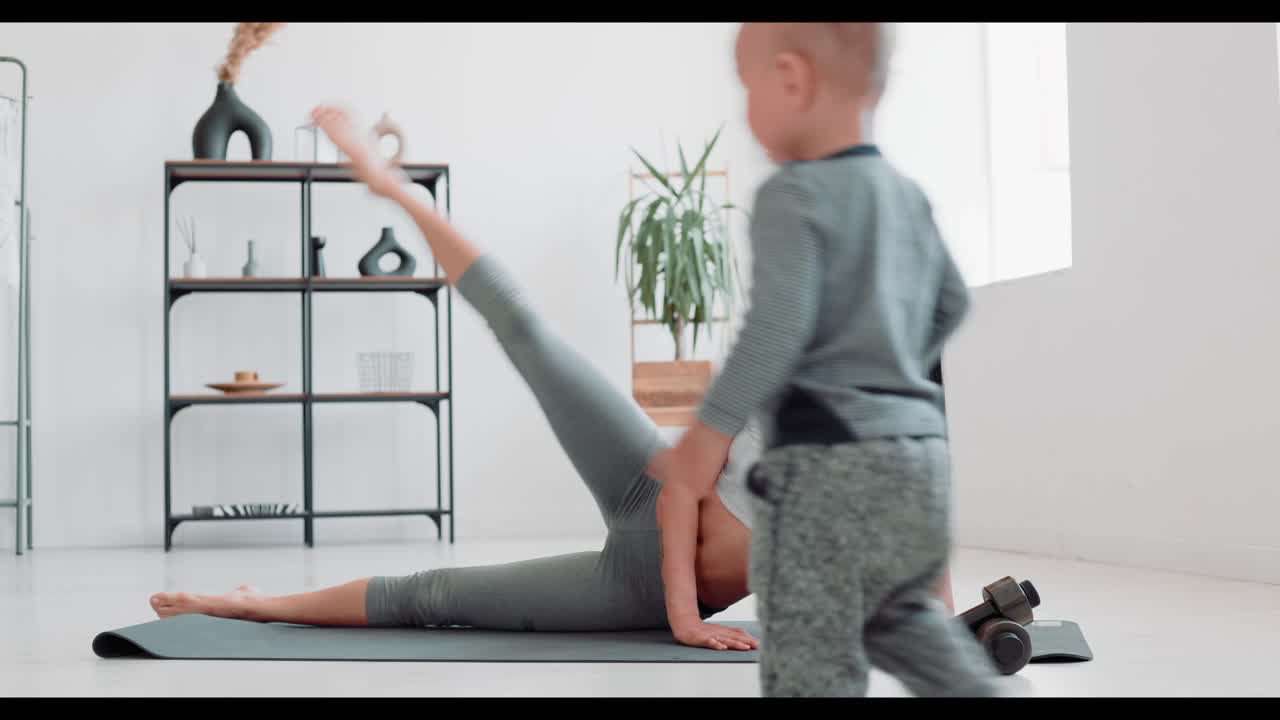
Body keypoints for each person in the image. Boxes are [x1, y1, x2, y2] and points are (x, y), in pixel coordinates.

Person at [652, 23, 999, 695]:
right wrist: (889, 375)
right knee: (902, 622)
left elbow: (773, 332)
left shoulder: (793, 194)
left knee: (809, 657)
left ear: (792, 80)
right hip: (919, 462)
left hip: (828, 473)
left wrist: (703, 438)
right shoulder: (907, 193)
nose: (745, 109)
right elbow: (950, 304)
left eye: (746, 88)